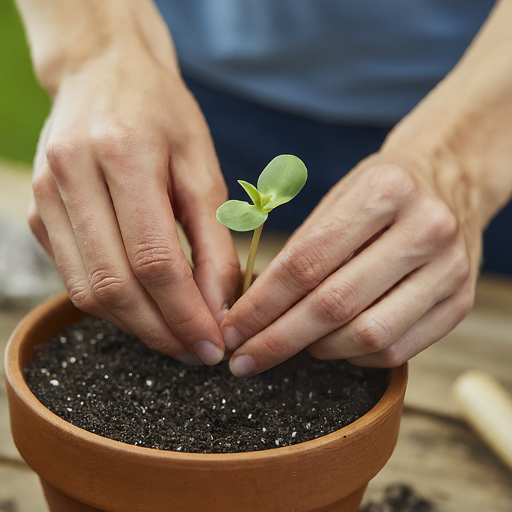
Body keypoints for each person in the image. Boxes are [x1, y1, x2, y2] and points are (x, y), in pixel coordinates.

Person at [16, 0, 512, 377]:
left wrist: (460, 163)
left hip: (486, 102)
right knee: (173, 274)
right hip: (186, 75)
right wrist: (94, 47)